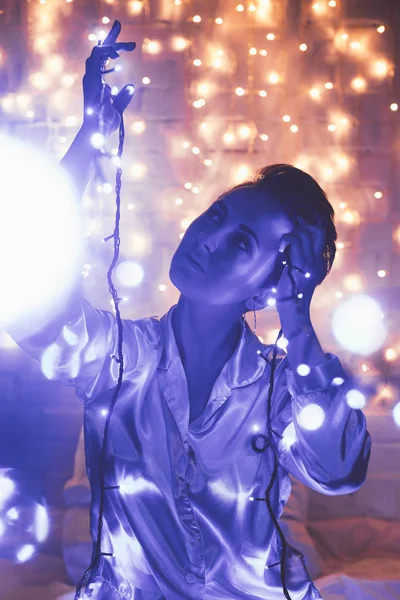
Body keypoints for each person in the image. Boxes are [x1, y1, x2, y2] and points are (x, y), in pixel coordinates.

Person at [7, 20, 372, 600]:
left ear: (264, 290)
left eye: (242, 244)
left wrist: (298, 319)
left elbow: (339, 470)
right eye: (217, 217)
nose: (209, 238)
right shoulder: (118, 357)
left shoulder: (287, 386)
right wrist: (88, 141)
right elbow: (21, 287)